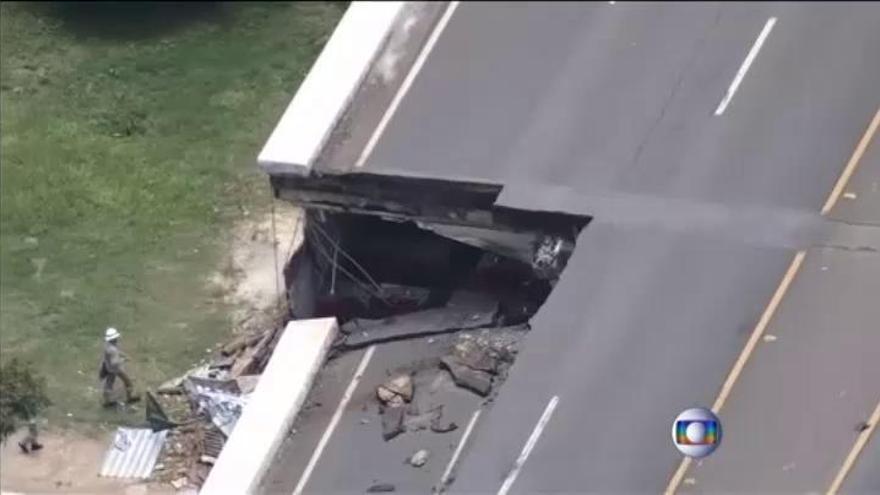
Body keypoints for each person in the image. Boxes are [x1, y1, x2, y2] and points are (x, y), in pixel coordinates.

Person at [101, 327, 140, 408]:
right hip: (115, 369)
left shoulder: (107, 346)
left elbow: (113, 354)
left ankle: (107, 401)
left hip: (108, 367)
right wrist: (123, 360)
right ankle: (130, 397)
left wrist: (122, 355)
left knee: (109, 384)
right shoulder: (113, 350)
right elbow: (114, 362)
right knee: (128, 382)